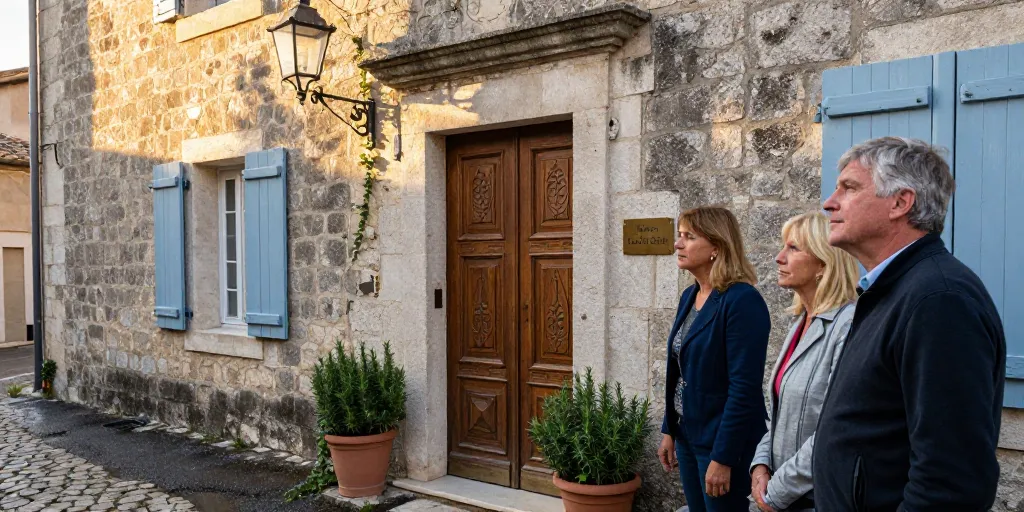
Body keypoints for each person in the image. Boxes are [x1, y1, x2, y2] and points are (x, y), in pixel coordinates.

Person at [813, 137, 1006, 510]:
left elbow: (950, 481)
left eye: (849, 187)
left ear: (900, 203)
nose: (829, 202)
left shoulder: (938, 299)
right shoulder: (894, 289)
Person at [657, 206, 771, 512]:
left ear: (716, 247)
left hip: (722, 442)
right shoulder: (689, 296)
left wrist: (723, 457)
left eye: (689, 237)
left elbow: (743, 389)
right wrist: (670, 429)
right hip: (688, 433)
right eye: (679, 236)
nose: (678, 244)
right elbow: (679, 370)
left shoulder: (742, 301)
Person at [749, 212, 859, 512]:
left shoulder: (848, 326)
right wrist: (760, 466)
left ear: (823, 264)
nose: (778, 258)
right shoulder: (801, 322)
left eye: (793, 248)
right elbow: (778, 411)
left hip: (817, 499)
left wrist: (775, 493)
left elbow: (833, 430)